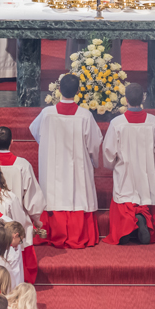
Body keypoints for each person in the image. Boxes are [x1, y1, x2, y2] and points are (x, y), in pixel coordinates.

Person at [29, 74, 103, 248]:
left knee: (52, 195)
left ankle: (53, 232)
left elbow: (36, 133)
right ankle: (78, 234)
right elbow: (94, 143)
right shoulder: (85, 116)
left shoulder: (47, 114)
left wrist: (48, 147)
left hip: (52, 167)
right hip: (77, 167)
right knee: (78, 193)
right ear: (78, 92)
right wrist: (94, 161)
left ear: (59, 89)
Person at [101, 83, 155, 245]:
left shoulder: (117, 123)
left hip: (124, 173)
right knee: (145, 195)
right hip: (146, 174)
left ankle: (124, 228)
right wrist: (154, 163)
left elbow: (109, 152)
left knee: (124, 196)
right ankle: (142, 218)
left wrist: (112, 165)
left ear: (126, 100)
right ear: (143, 99)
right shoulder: (154, 122)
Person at [0, 126, 45, 282]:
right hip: (13, 217)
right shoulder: (22, 165)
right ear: (12, 141)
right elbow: (32, 197)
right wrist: (36, 219)